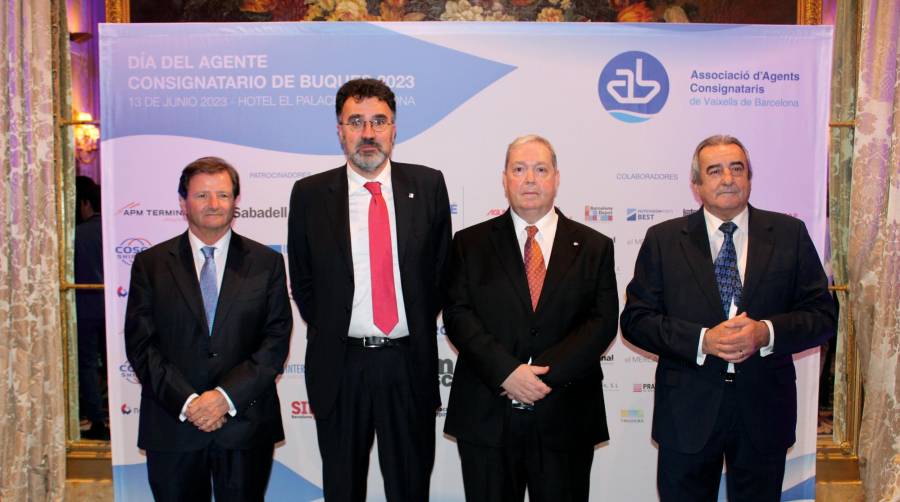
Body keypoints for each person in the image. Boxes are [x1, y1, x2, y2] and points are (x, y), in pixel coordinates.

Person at [619, 134, 836, 501]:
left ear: (749, 177)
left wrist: (765, 333)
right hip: (688, 410)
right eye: (714, 171)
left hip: (764, 410)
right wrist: (703, 340)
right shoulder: (664, 240)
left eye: (737, 168)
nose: (728, 179)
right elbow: (636, 320)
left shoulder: (789, 234)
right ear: (697, 185)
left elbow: (823, 314)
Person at [287, 78, 451, 502]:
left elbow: (440, 272)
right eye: (355, 121)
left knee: (410, 487)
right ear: (339, 130)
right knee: (343, 489)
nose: (368, 133)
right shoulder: (309, 194)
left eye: (378, 121)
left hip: (406, 362)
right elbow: (303, 280)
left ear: (394, 128)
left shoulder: (429, 186)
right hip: (341, 366)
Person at [443, 135, 619, 502]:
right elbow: (459, 316)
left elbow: (601, 322)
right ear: (504, 179)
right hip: (487, 415)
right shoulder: (469, 243)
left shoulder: (594, 246)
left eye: (540, 170)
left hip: (565, 414)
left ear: (556, 178)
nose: (529, 179)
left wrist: (542, 376)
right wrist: (507, 372)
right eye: (519, 169)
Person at [124, 157, 292, 501]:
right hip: (174, 424)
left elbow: (274, 342)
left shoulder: (267, 263)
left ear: (236, 201)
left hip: (244, 424)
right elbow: (142, 345)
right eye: (202, 196)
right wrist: (189, 402)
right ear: (183, 201)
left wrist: (223, 398)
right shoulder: (151, 264)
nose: (214, 205)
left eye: (223, 195)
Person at [74, 176, 108, 440]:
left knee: (86, 365)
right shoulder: (112, 231)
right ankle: (112, 414)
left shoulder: (77, 234)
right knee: (115, 363)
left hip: (85, 309)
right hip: (113, 308)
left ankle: (96, 418)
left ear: (85, 204)